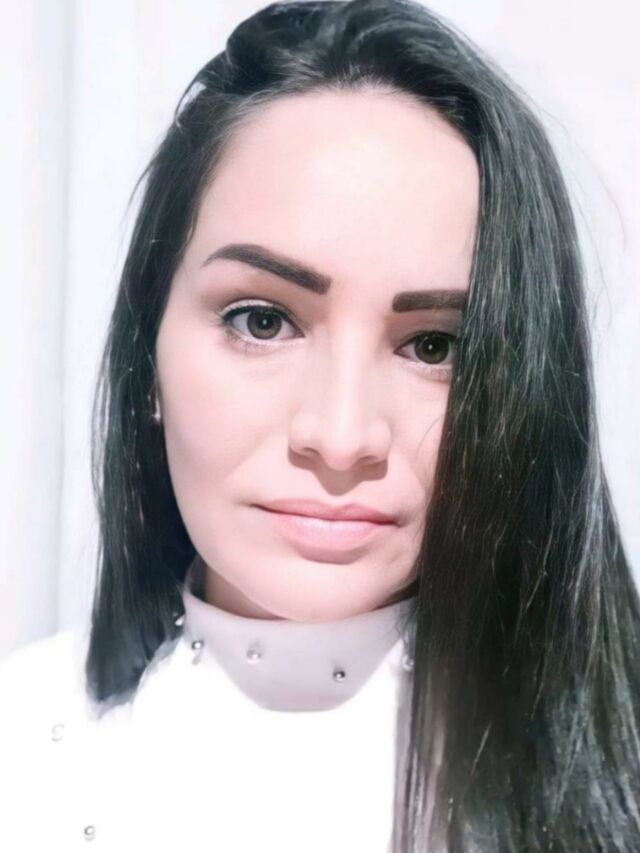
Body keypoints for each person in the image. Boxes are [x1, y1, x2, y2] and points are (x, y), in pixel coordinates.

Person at [1, 0, 638, 850]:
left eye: (435, 345)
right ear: (145, 352)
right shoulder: (22, 751)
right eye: (262, 321)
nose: (340, 438)